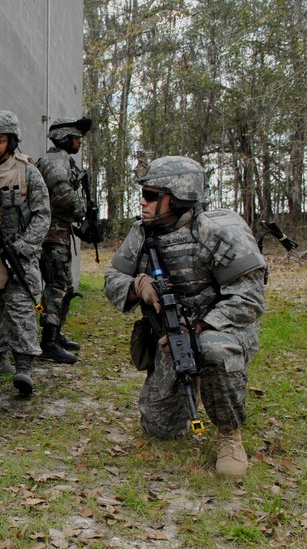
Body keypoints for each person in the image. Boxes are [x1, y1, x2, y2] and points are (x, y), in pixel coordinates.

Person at [104, 156, 265, 478]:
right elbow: (111, 278)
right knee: (160, 426)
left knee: (214, 351)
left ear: (177, 197)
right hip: (171, 335)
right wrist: (137, 286)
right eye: (144, 194)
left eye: (151, 195)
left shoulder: (217, 230)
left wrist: (201, 327)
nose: (143, 201)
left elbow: (248, 297)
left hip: (221, 328)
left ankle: (229, 434)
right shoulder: (142, 233)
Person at [0, 110, 50, 397]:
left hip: (20, 254)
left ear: (11, 141)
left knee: (21, 311)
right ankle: (0, 360)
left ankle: (24, 368)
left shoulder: (26, 171)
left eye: (0, 140)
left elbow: (42, 215)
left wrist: (22, 248)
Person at [36, 117, 92, 364]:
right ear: (64, 137)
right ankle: (48, 343)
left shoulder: (62, 160)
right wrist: (83, 210)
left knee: (66, 286)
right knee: (56, 286)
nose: (79, 142)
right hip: (51, 236)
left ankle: (55, 334)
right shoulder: (55, 161)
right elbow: (62, 196)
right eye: (76, 137)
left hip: (59, 234)